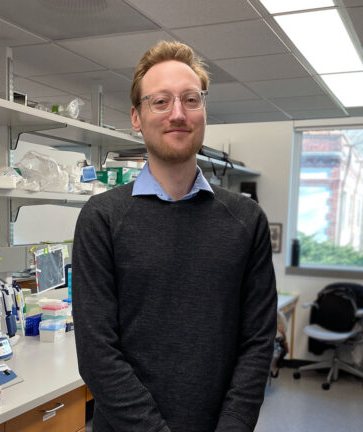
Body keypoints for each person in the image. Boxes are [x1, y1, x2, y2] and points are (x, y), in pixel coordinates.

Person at [72, 41, 277, 432]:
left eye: (190, 99)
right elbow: (98, 355)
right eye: (161, 102)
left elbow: (257, 342)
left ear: (204, 111)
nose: (178, 114)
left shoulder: (246, 219)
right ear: (136, 116)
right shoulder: (102, 219)